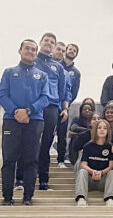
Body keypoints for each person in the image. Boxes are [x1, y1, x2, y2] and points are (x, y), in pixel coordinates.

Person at [0, 39, 49, 206]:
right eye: (27, 48)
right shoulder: (8, 72)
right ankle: (7, 197)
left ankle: (27, 197)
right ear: (20, 50)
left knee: (31, 160)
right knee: (9, 160)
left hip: (34, 121)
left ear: (36, 53)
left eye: (33, 49)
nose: (30, 51)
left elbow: (45, 98)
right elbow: (3, 95)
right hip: (11, 120)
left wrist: (28, 111)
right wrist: (16, 112)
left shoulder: (43, 75)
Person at [32, 33, 66, 191]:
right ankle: (21, 179)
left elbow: (62, 90)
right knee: (29, 143)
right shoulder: (32, 60)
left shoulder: (58, 67)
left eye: (52, 42)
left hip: (51, 107)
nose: (49, 43)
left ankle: (43, 180)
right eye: (46, 40)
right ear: (40, 42)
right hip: (32, 107)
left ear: (54, 46)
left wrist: (63, 108)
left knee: (46, 144)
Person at [75, 120, 113, 207]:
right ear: (95, 130)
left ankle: (110, 199)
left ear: (108, 131)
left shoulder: (110, 147)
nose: (102, 130)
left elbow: (111, 166)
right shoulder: (88, 146)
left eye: (105, 128)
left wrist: (101, 173)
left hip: (103, 181)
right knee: (82, 171)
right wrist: (93, 172)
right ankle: (81, 198)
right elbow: (83, 164)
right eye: (99, 128)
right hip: (90, 180)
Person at [52, 42, 75, 168]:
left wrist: (65, 108)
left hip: (62, 109)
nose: (60, 52)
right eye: (58, 49)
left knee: (62, 134)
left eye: (63, 50)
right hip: (45, 109)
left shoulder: (67, 73)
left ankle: (61, 160)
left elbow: (69, 92)